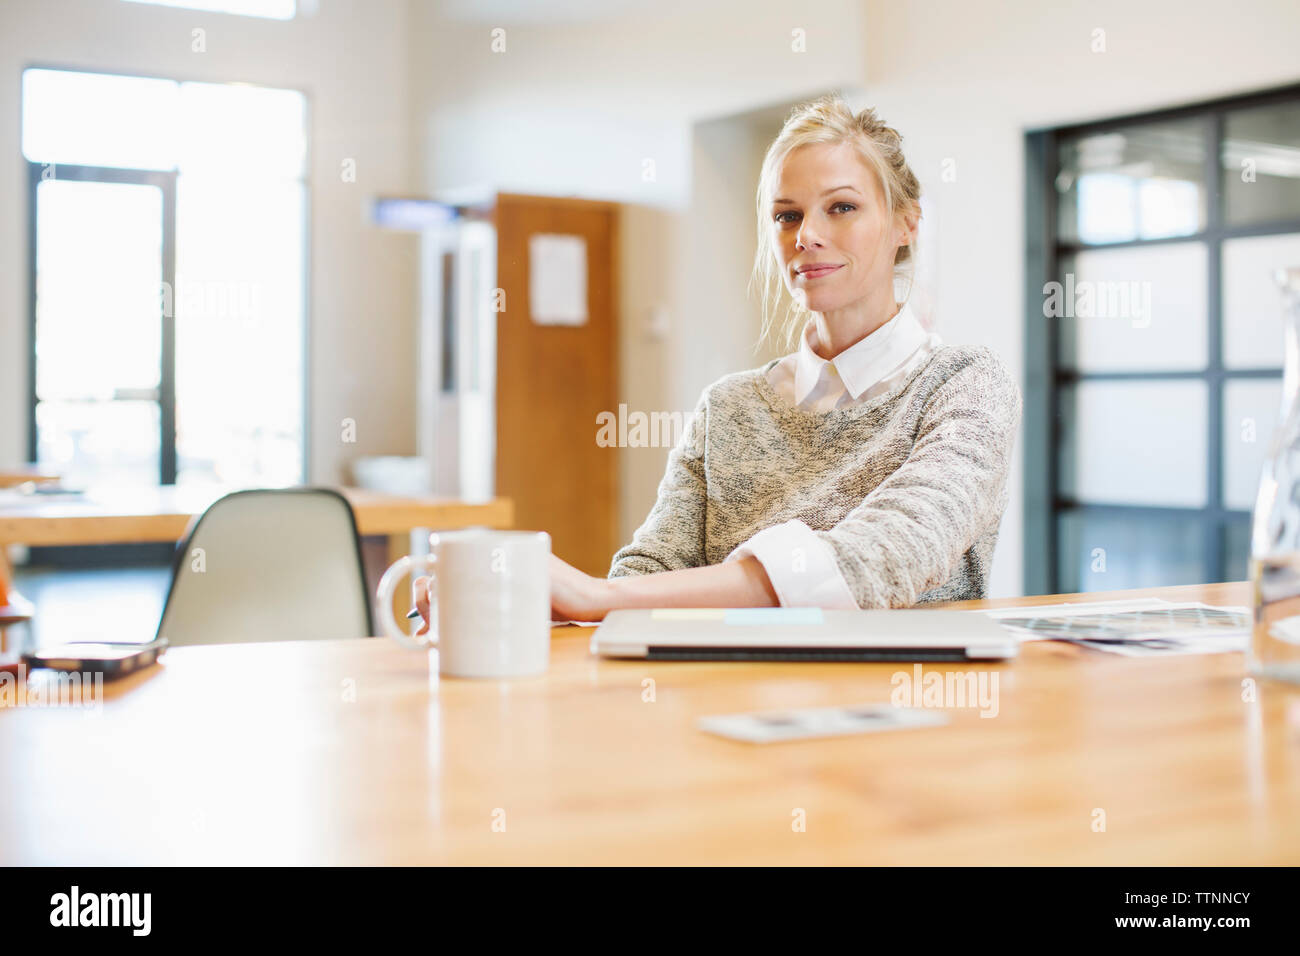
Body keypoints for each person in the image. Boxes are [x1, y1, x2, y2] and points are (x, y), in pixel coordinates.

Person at [417, 93, 1022, 634]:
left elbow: (878, 559)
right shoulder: (728, 406)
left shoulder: (966, 384)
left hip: (903, 727)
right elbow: (647, 574)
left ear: (906, 224)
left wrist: (594, 597)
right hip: (721, 718)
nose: (807, 234)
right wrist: (522, 599)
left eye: (841, 207)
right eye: (787, 215)